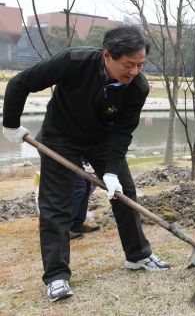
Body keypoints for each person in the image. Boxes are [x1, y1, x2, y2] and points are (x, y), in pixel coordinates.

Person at [2, 25, 170, 302]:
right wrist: (10, 125)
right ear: (107, 55)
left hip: (102, 139)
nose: (135, 72)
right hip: (60, 136)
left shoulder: (137, 87)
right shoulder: (74, 61)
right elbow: (20, 83)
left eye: (140, 64)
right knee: (57, 204)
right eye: (128, 65)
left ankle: (138, 255)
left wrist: (113, 172)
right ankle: (56, 276)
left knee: (124, 192)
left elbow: (122, 132)